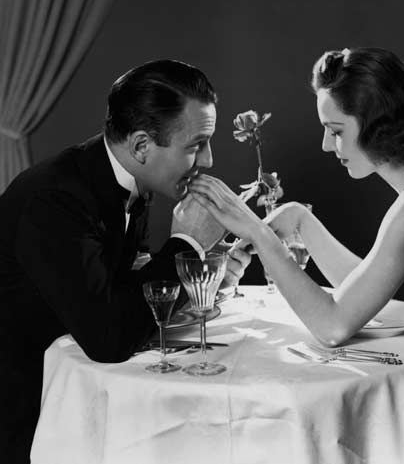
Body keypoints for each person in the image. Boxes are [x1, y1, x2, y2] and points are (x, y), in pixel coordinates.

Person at [187, 47, 404, 458]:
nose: (324, 145)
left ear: (377, 126)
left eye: (335, 130)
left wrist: (259, 236)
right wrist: (300, 219)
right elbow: (364, 292)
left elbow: (334, 325)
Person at [0, 59, 251, 464]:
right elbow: (109, 338)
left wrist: (202, 273)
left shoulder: (131, 177)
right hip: (24, 413)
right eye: (195, 145)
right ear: (140, 146)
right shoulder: (55, 199)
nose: (207, 160)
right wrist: (187, 242)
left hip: (74, 390)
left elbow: (125, 285)